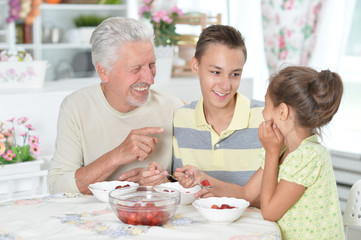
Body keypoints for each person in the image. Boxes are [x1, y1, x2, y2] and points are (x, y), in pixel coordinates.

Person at [176, 66, 345, 240]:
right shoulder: (283, 148)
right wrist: (202, 178)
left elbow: (269, 212)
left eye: (266, 104)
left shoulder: (309, 156)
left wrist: (271, 153)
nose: (262, 112)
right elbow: (247, 194)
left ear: (282, 111)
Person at [47, 17, 183, 194]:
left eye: (152, 65)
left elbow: (195, 181)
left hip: (153, 217)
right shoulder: (76, 107)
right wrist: (117, 156)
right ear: (103, 71)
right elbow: (57, 187)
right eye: (136, 69)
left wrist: (165, 181)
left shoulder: (172, 107)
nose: (150, 79)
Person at [171, 24, 264, 187]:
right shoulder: (181, 118)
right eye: (216, 72)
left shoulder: (266, 117)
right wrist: (163, 178)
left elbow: (278, 194)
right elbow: (179, 184)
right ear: (195, 66)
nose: (226, 85)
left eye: (235, 74)